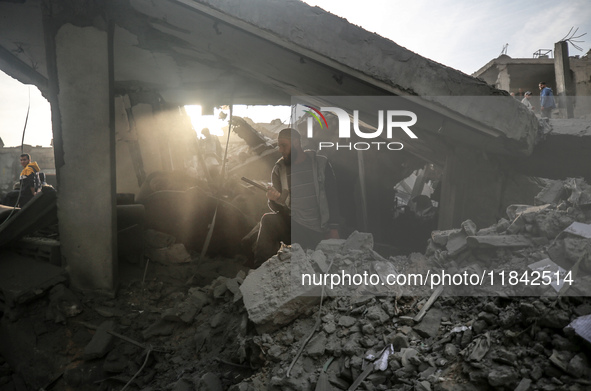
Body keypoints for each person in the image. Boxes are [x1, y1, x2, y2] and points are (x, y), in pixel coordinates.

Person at [253, 128, 340, 265]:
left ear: (296, 143)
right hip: (295, 226)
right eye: (278, 145)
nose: (280, 150)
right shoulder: (279, 169)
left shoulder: (320, 164)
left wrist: (333, 228)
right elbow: (277, 208)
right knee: (268, 220)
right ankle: (259, 269)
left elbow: (333, 198)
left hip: (319, 229)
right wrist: (274, 199)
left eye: (284, 145)